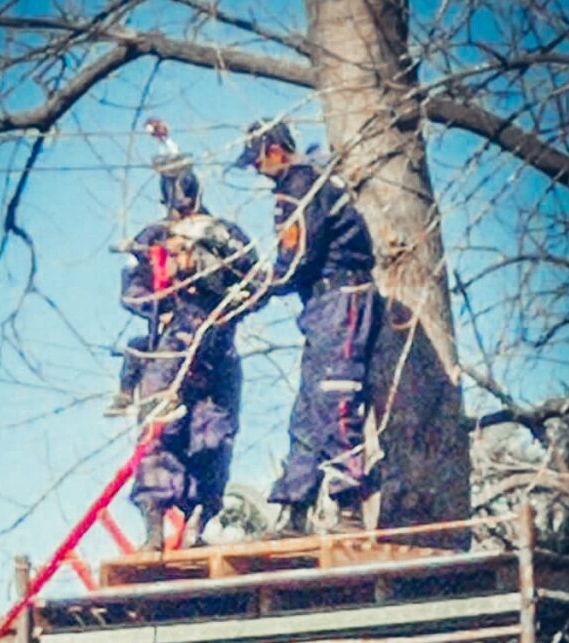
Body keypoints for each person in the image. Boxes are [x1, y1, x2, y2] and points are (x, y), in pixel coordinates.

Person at [235, 120, 383, 536]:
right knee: (309, 405)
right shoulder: (306, 184)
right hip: (323, 304)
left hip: (342, 296)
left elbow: (298, 253)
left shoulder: (301, 185)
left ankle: (349, 503)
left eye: (258, 160)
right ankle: (296, 504)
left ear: (274, 150)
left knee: (336, 394)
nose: (258, 171)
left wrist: (262, 288)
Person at [111, 160, 257, 551]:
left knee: (214, 437)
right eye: (176, 190)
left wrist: (228, 302)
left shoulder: (224, 234)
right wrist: (168, 299)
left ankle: (198, 523)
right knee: (159, 433)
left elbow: (257, 282)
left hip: (218, 346)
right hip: (169, 343)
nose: (184, 199)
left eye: (188, 189)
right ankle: (154, 532)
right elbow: (132, 292)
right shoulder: (152, 238)